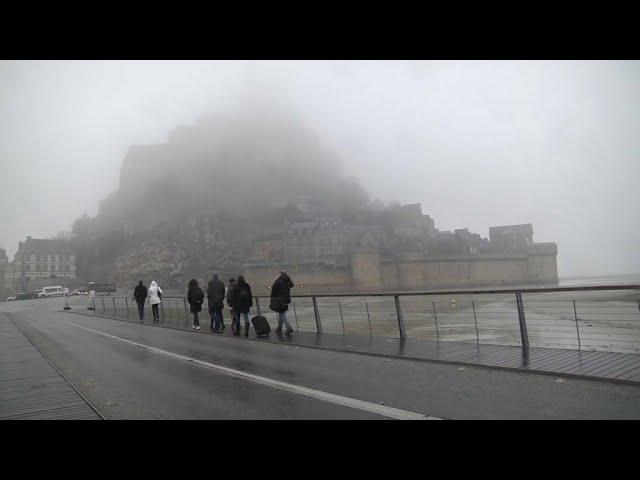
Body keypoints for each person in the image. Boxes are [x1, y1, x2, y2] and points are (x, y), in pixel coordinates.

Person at [270, 270, 294, 335]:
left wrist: (272, 299)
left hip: (279, 300)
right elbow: (292, 285)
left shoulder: (278, 281)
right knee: (281, 313)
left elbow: (273, 290)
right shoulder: (288, 280)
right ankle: (279, 328)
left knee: (282, 314)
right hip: (286, 299)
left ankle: (289, 328)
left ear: (281, 274)